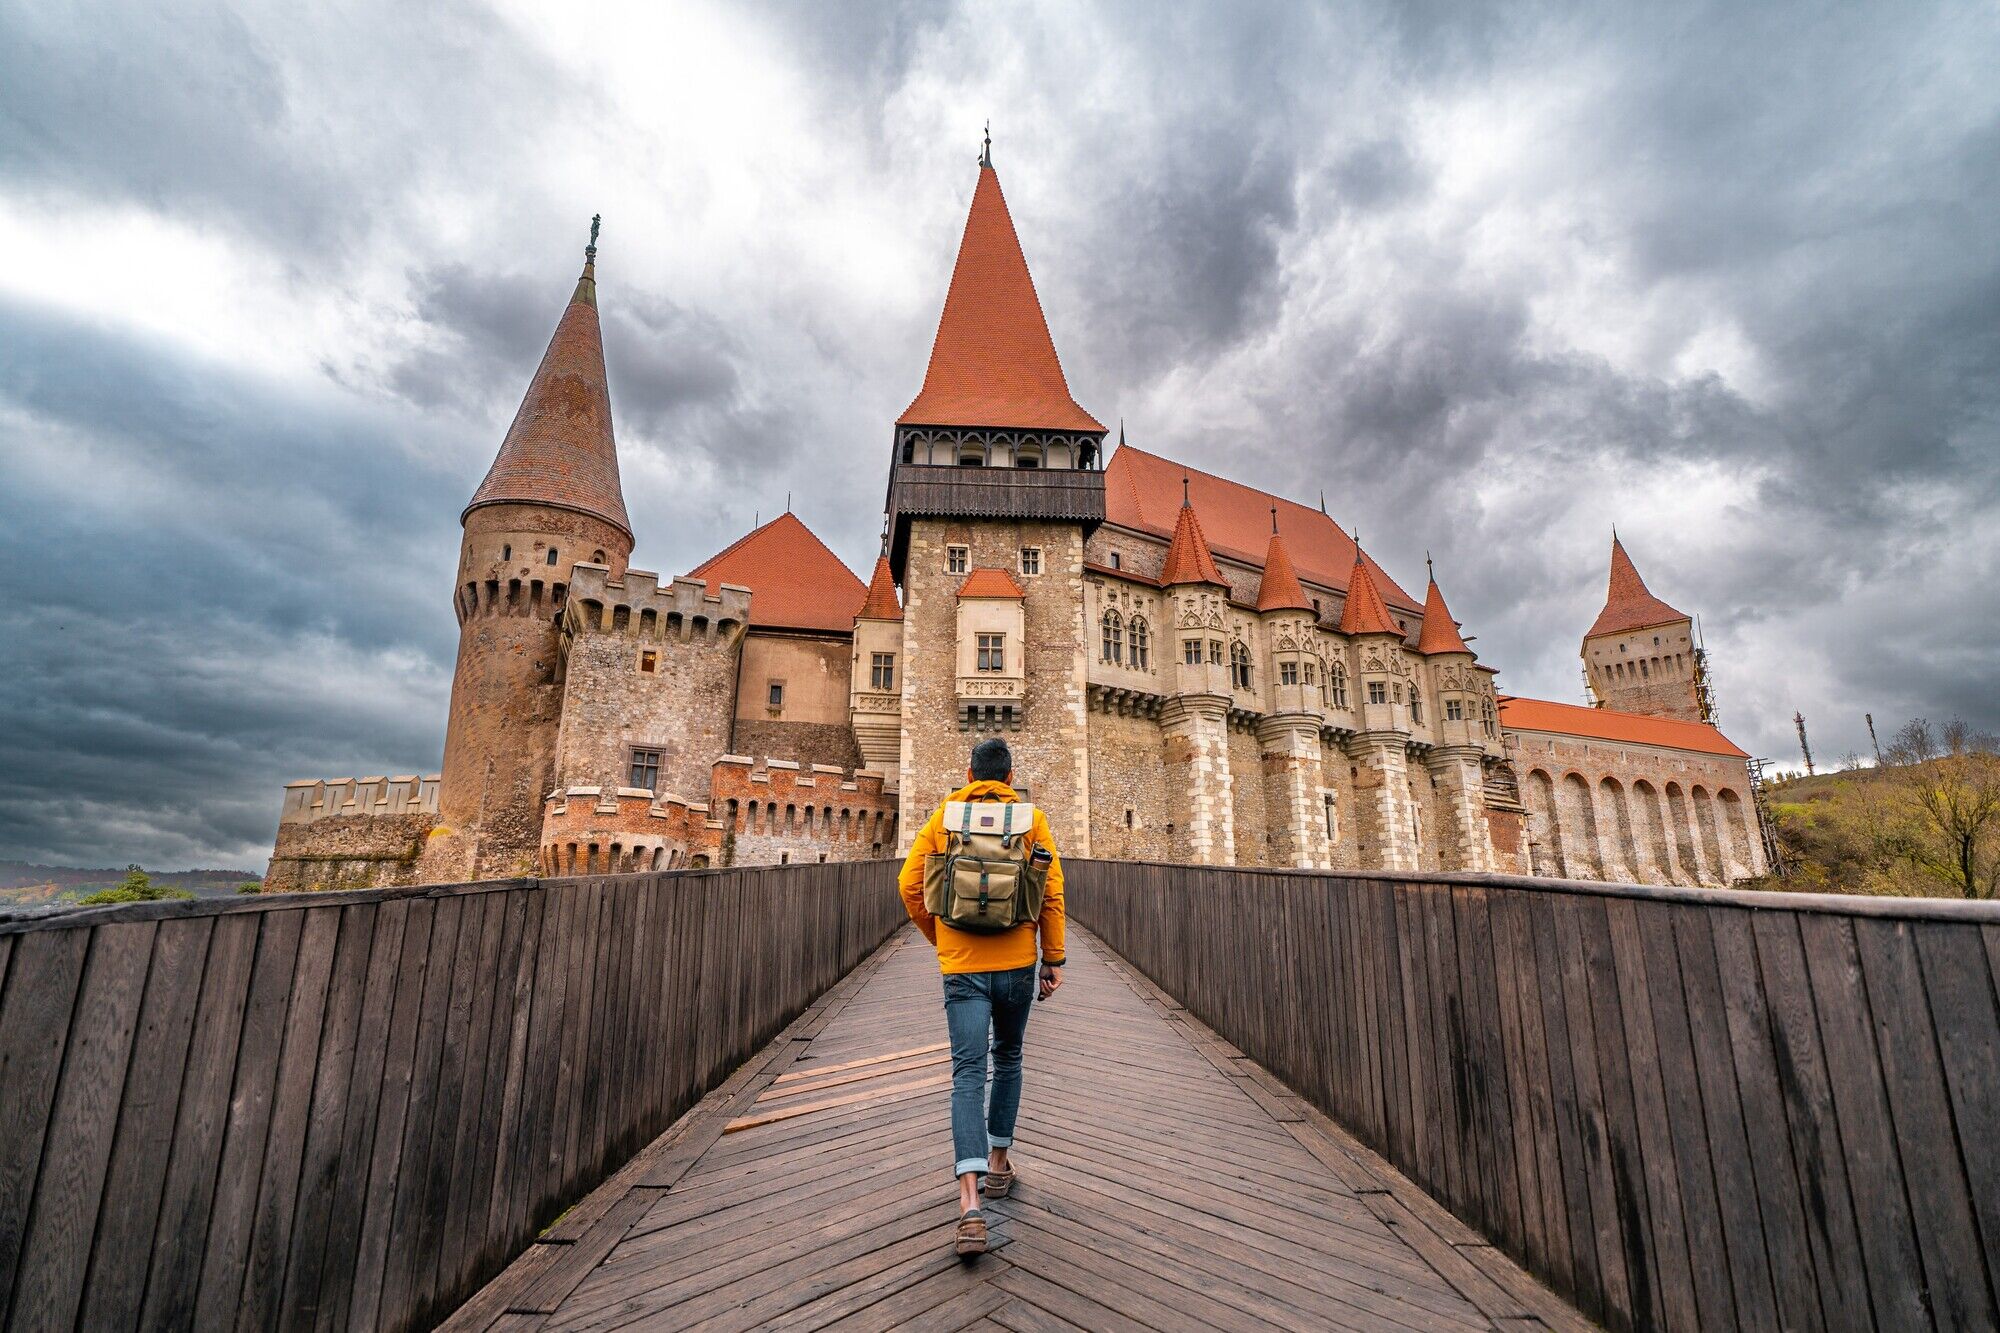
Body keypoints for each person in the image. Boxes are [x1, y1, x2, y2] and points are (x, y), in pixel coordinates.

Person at [897, 737, 1065, 1257]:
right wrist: (1052, 959)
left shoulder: (946, 818)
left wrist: (942, 938)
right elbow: (1053, 892)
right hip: (1016, 964)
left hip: (962, 969)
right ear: (1010, 778)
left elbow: (908, 884)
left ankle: (970, 1205)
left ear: (970, 774)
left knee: (967, 1074)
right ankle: (997, 1165)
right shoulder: (1030, 820)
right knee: (1008, 1057)